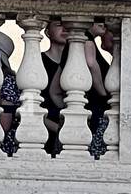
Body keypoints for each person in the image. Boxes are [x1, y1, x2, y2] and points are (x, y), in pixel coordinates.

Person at [41, 16, 115, 156]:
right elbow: (91, 63)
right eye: (97, 19)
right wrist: (104, 94)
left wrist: (69, 109)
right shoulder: (86, 39)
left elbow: (54, 91)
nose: (102, 23)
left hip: (77, 120)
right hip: (96, 118)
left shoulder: (70, 46)